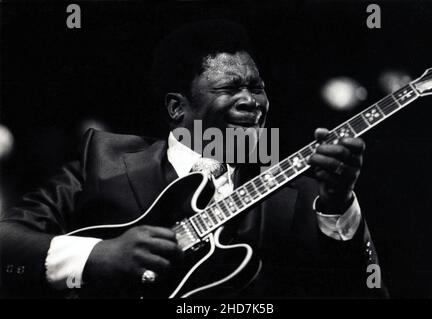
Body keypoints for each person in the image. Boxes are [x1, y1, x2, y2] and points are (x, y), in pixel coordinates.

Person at [0, 20, 386, 298]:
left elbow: (364, 291)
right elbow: (8, 244)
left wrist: (339, 205)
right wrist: (99, 256)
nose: (252, 101)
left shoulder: (301, 188)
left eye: (257, 87)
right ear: (176, 108)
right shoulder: (102, 160)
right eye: (231, 88)